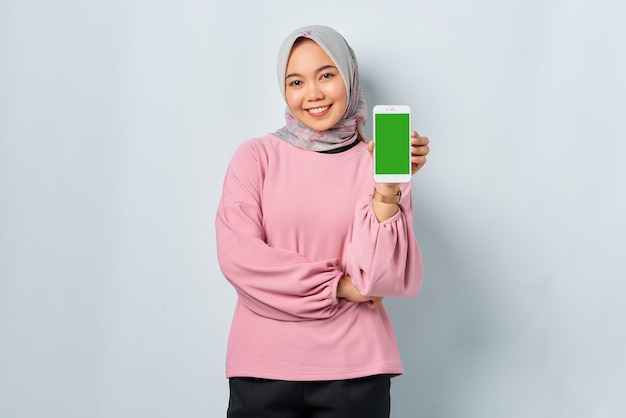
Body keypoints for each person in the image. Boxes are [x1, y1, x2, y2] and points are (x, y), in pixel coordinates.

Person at [216, 24, 430, 418]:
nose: (312, 94)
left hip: (356, 371)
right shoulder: (256, 157)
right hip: (263, 369)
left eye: (326, 75)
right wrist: (339, 287)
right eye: (296, 81)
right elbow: (239, 258)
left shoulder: (380, 163)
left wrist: (387, 187)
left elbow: (382, 277)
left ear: (349, 77)